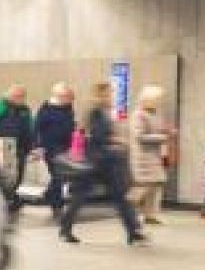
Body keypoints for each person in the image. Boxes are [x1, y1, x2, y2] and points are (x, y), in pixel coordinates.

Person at [59, 83, 146, 246]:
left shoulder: (102, 112)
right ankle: (65, 228)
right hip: (96, 162)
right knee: (82, 197)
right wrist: (116, 140)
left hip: (104, 162)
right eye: (108, 93)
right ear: (100, 95)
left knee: (119, 197)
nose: (111, 97)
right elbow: (97, 137)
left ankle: (133, 232)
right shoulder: (95, 112)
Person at [0, 84, 34, 210]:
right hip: (4, 148)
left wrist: (32, 146)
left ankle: (10, 197)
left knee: (18, 176)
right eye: (17, 96)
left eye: (22, 96)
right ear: (10, 95)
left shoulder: (25, 109)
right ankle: (4, 199)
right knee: (6, 176)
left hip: (21, 148)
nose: (19, 99)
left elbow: (30, 128)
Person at [126, 85, 170, 225]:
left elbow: (157, 130)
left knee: (157, 184)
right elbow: (139, 136)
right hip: (142, 156)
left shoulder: (156, 114)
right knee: (143, 186)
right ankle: (126, 207)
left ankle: (150, 215)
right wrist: (163, 137)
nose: (159, 102)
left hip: (155, 156)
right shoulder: (138, 115)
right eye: (157, 99)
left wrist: (166, 131)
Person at [34, 82, 76, 218]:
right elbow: (37, 128)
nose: (71, 99)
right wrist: (37, 147)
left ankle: (49, 195)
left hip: (65, 147)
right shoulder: (46, 110)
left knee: (60, 176)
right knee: (58, 176)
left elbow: (69, 125)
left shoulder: (68, 108)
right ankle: (56, 205)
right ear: (61, 96)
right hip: (51, 148)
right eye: (69, 96)